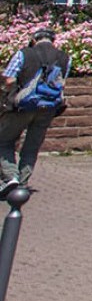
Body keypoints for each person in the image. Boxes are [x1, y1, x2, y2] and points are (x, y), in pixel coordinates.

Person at [0, 25, 67, 191]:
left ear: (33, 40)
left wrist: (8, 94)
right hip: (48, 107)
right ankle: (22, 183)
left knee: (4, 141)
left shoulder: (24, 53)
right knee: (32, 147)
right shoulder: (65, 58)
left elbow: (9, 80)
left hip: (22, 106)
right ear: (53, 40)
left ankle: (10, 177)